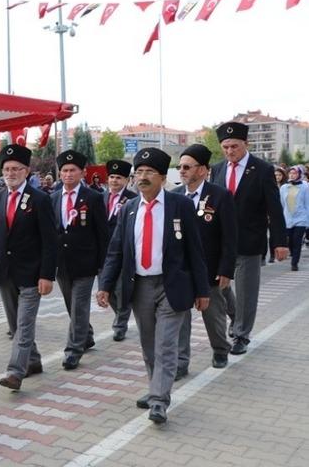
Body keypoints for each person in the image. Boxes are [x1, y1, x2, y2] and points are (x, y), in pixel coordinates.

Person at [97, 147, 210, 425]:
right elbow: (115, 252)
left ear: (162, 177)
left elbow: (196, 250)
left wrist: (202, 290)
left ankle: (160, 400)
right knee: (149, 345)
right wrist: (105, 285)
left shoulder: (180, 205)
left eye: (149, 172)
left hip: (172, 286)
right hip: (140, 286)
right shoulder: (129, 209)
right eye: (139, 173)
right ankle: (154, 388)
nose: (142, 177)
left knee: (166, 344)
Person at [0, 144, 57, 390]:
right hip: (5, 271)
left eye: (16, 169)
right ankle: (32, 361)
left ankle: (15, 371)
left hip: (32, 274)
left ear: (26, 171)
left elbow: (49, 240)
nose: (10, 173)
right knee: (15, 324)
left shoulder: (40, 199)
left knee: (23, 325)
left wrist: (46, 275)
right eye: (6, 169)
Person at [210, 122, 287, 355]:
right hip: (221, 241)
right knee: (218, 285)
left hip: (249, 241)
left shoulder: (262, 169)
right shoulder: (218, 169)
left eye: (234, 146)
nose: (229, 151)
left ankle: (242, 335)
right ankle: (235, 317)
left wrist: (279, 242)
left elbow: (274, 209)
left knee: (246, 291)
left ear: (246, 144)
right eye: (225, 147)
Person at [174, 144, 237, 375]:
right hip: (181, 271)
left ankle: (220, 349)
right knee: (181, 320)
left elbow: (230, 237)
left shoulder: (220, 196)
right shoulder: (175, 196)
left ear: (202, 170)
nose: (182, 171)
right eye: (180, 166)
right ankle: (181, 362)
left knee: (213, 315)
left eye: (187, 167)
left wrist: (226, 269)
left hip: (210, 269)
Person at [51, 150, 108, 370]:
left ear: (82, 172)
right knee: (70, 305)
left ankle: (73, 350)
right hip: (62, 263)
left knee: (79, 307)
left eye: (72, 170)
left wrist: (104, 265)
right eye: (64, 170)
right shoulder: (53, 197)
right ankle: (87, 334)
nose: (68, 174)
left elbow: (102, 234)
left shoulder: (93, 197)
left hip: (86, 262)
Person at [103, 160, 137, 341]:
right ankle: (121, 315)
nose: (114, 181)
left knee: (121, 290)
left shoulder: (132, 199)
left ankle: (120, 325)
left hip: (124, 253)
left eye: (118, 178)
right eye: (111, 177)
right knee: (106, 289)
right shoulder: (99, 197)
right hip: (104, 255)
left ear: (126, 180)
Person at [280, 165, 309, 271]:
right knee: (290, 241)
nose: (292, 175)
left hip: (301, 218)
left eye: (295, 173)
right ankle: (292, 254)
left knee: (297, 241)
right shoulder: (284, 187)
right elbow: (282, 204)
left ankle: (294, 263)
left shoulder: (305, 187)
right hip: (288, 218)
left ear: (299, 174)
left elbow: (307, 203)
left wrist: (308, 220)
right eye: (290, 173)